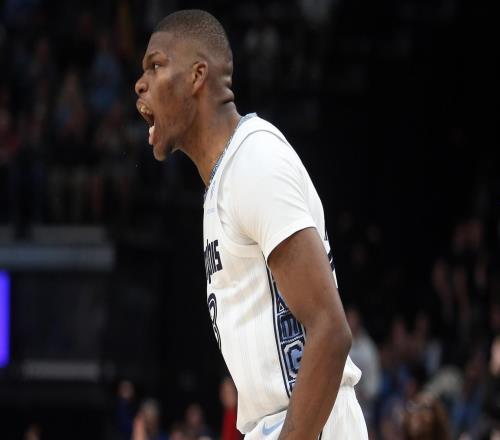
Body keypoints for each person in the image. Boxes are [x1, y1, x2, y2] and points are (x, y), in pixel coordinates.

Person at [135, 9, 367, 439]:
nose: (140, 83)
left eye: (156, 65)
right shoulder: (222, 184)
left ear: (197, 75)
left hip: (312, 422)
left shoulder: (254, 160)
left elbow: (331, 330)